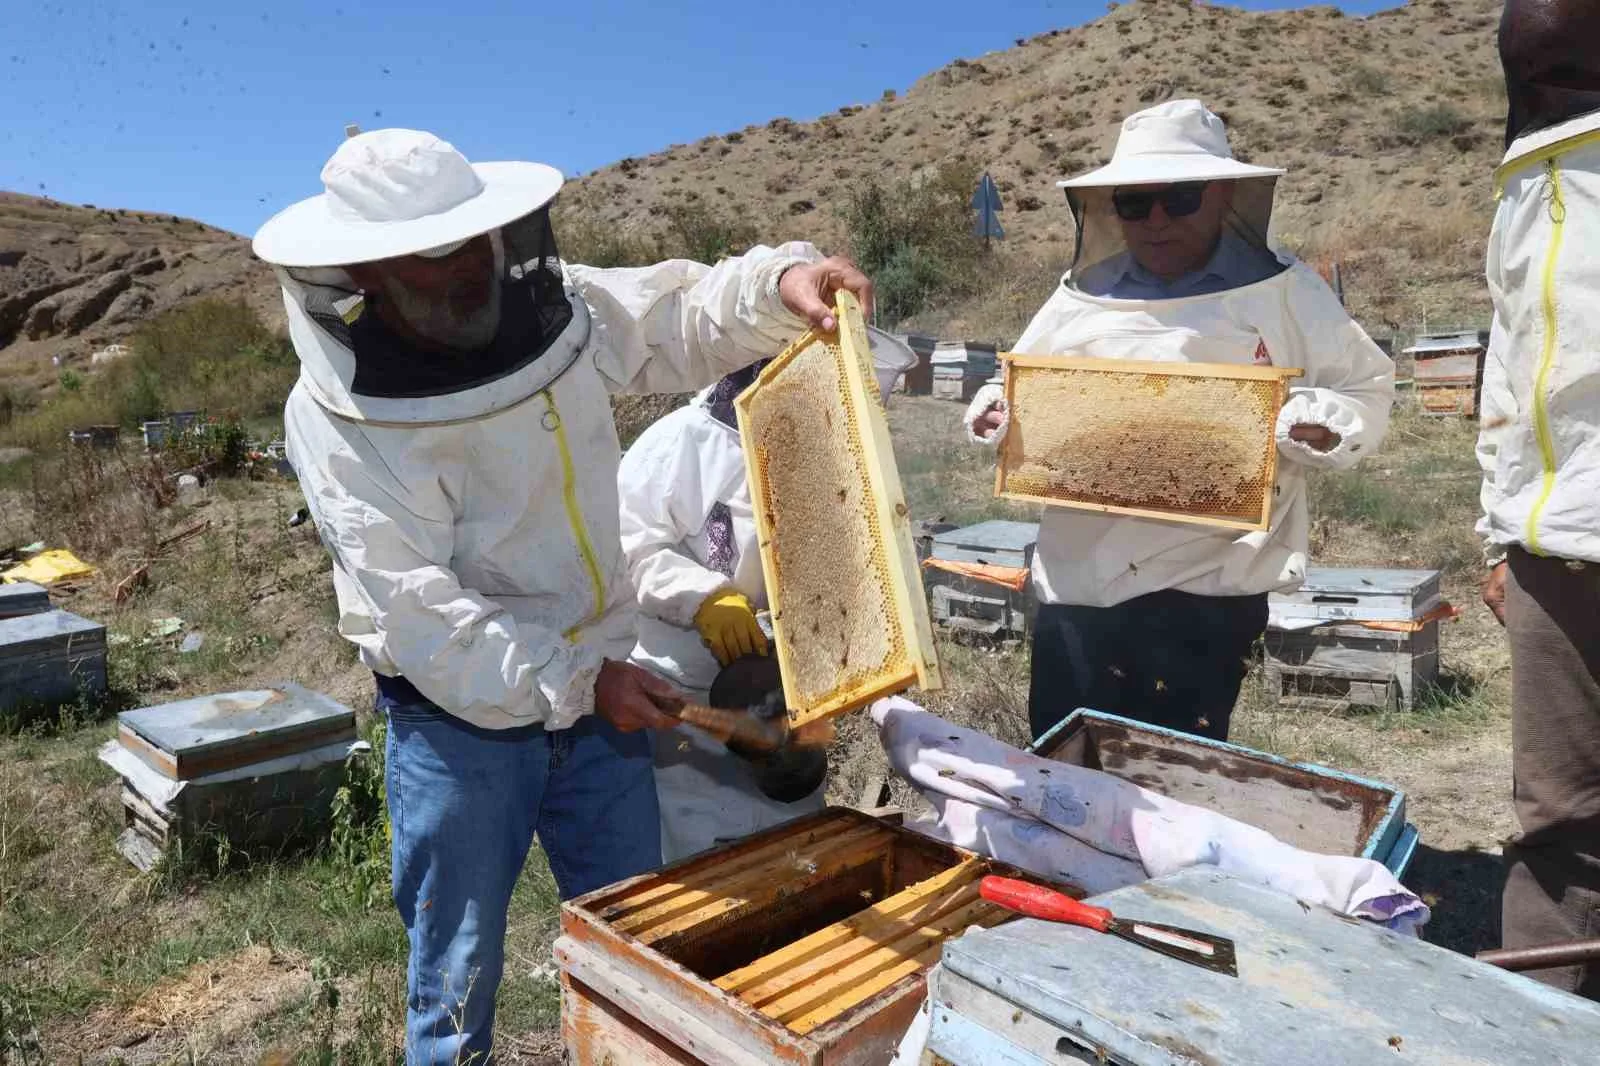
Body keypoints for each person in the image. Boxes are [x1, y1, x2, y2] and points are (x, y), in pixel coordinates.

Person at [252, 127, 872, 1064]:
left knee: (641, 945)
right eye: (430, 265)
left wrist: (775, 286)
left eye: (474, 249)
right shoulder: (339, 419)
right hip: (457, 723)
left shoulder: (556, 308)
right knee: (455, 984)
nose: (466, 278)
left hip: (598, 701)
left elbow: (678, 320)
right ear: (365, 274)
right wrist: (583, 682)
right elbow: (422, 613)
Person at [964, 99, 1393, 743]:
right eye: (1136, 204)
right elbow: (1016, 384)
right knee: (1066, 767)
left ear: (1222, 195)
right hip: (1081, 579)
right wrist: (997, 411)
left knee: (1173, 776)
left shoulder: (1284, 291)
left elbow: (1363, 387)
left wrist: (1320, 423)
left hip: (1211, 583)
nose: (1157, 220)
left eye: (1181, 197)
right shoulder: (1080, 297)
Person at [1478, 0, 1600, 999]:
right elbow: (1516, 368)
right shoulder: (1530, 182)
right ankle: (1536, 1020)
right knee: (1558, 818)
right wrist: (1498, 528)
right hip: (1553, 551)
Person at [617, 360, 827, 862]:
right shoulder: (675, 445)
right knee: (694, 872)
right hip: (681, 699)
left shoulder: (825, 453)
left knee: (795, 856)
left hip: (785, 693)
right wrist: (702, 596)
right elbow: (626, 549)